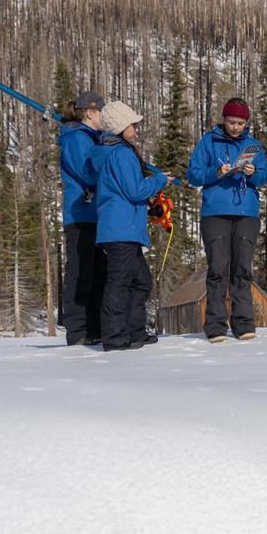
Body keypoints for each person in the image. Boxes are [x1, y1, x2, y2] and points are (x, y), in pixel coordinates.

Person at [186, 97, 267, 343]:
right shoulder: (208, 142)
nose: (235, 127)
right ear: (224, 120)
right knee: (218, 268)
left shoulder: (253, 145)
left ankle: (244, 324)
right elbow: (193, 174)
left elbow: (264, 177)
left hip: (247, 213)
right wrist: (217, 172)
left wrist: (254, 173)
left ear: (247, 123)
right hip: (216, 213)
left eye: (240, 123)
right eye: (232, 122)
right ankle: (215, 325)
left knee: (242, 269)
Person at [92, 101, 172, 352]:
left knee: (141, 281)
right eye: (132, 124)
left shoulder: (108, 151)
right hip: (121, 229)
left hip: (122, 227)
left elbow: (126, 190)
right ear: (120, 127)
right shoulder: (122, 153)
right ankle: (115, 337)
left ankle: (134, 331)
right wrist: (159, 180)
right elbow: (135, 190)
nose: (136, 128)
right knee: (119, 282)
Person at [58, 91, 105, 346]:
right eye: (102, 112)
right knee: (80, 272)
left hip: (97, 214)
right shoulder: (77, 139)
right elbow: (88, 173)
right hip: (81, 214)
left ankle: (94, 326)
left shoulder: (93, 138)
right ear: (90, 112)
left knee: (99, 272)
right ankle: (77, 329)